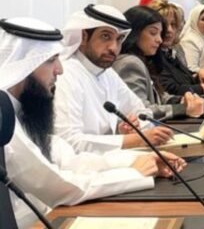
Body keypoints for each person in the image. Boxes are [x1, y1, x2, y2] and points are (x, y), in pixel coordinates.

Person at [0, 17, 184, 228]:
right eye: (51, 60)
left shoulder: (24, 107)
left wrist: (139, 160)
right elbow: (58, 187)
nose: (59, 69)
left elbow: (67, 160)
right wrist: (133, 173)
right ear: (23, 65)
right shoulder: (4, 116)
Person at [54, 4, 174, 153]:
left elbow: (142, 114)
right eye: (106, 36)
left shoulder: (107, 73)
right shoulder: (65, 74)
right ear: (83, 37)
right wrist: (133, 140)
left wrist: (130, 128)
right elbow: (69, 142)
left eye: (119, 39)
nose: (113, 47)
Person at [113, 6, 204, 120]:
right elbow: (141, 111)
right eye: (153, 33)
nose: (159, 40)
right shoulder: (130, 63)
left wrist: (181, 100)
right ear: (134, 32)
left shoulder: (144, 59)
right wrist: (182, 109)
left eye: (160, 34)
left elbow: (159, 96)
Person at [147, 0, 204, 97]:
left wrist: (200, 75)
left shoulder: (168, 52)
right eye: (164, 24)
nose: (169, 30)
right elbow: (171, 89)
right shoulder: (152, 56)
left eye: (173, 24)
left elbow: (185, 78)